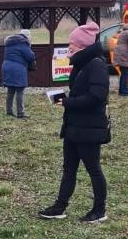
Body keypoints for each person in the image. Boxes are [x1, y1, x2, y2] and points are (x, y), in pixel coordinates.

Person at [38, 20, 110, 223]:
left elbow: (97, 96)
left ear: (83, 46)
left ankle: (99, 210)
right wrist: (67, 100)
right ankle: (60, 207)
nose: (69, 47)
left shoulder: (96, 65)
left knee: (93, 169)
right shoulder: (80, 65)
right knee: (69, 168)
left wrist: (69, 102)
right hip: (73, 126)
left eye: (72, 44)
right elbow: (83, 92)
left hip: (89, 128)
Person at [1, 30, 36, 118]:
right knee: (20, 90)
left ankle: (9, 111)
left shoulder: (10, 42)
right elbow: (30, 56)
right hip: (17, 68)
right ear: (27, 37)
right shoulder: (23, 43)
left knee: (10, 91)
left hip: (6, 67)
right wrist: (30, 47)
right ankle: (20, 113)